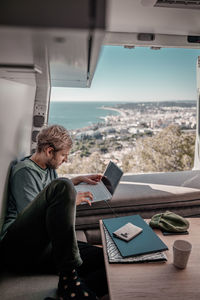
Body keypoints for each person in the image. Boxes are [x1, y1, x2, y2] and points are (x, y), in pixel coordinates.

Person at [0, 125, 108, 300]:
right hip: (19, 248)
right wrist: (73, 198)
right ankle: (69, 276)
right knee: (63, 184)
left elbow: (49, 192)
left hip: (46, 245)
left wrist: (79, 180)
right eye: (63, 155)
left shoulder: (48, 168)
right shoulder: (24, 172)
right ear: (50, 151)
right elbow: (37, 219)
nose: (65, 160)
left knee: (107, 259)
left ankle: (70, 294)